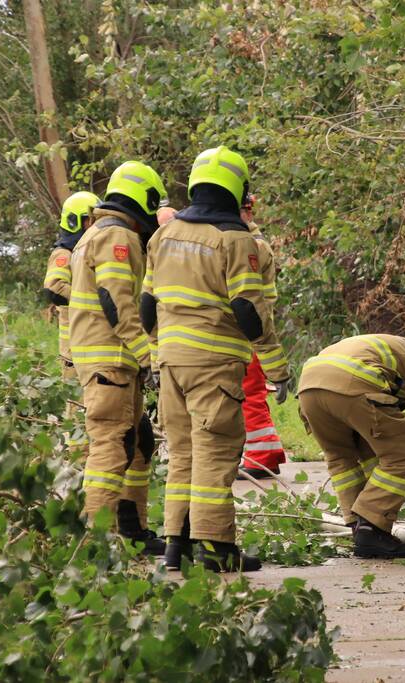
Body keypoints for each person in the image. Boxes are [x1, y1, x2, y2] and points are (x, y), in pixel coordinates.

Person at [142, 145, 289, 573]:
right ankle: (216, 547)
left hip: (170, 362)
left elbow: (148, 304)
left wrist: (155, 358)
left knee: (183, 453)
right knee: (214, 452)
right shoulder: (235, 240)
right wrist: (277, 369)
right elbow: (249, 309)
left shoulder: (163, 236)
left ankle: (177, 545)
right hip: (214, 365)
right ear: (236, 189)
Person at [68, 161, 166, 555]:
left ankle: (133, 531)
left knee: (139, 442)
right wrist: (147, 356)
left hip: (110, 361)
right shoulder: (116, 236)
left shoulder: (97, 232)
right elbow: (116, 299)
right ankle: (97, 542)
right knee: (112, 447)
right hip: (112, 361)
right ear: (143, 198)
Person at [297, 332, 405, 559]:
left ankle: (359, 528)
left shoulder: (390, 348)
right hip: (353, 383)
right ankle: (371, 529)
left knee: (342, 456)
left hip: (308, 387)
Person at [43, 191, 99, 452]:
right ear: (79, 221)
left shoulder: (84, 250)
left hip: (87, 339)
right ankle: (76, 458)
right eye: (90, 219)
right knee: (76, 407)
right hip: (72, 348)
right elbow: (53, 286)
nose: (95, 224)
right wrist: (86, 297)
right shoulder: (63, 253)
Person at [237, 193, 287, 478]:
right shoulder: (249, 241)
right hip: (248, 332)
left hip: (248, 334)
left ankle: (262, 455)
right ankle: (260, 452)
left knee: (250, 393)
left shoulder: (252, 245)